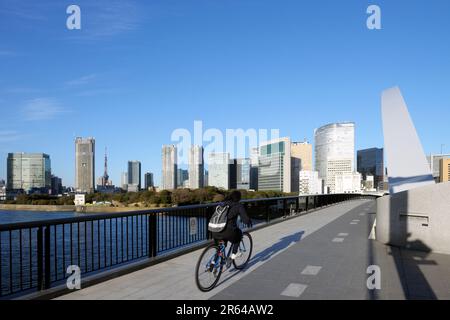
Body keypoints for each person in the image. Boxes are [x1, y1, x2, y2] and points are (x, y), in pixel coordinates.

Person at [212, 191, 252, 266]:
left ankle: (213, 262)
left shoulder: (222, 203)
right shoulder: (239, 205)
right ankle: (233, 255)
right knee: (239, 234)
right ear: (238, 198)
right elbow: (245, 219)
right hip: (228, 231)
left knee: (220, 247)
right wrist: (249, 222)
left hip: (214, 230)